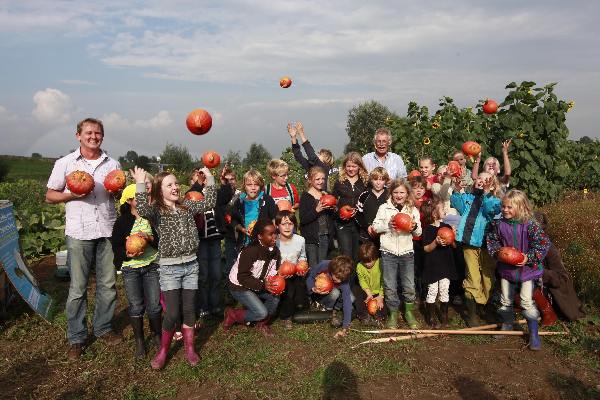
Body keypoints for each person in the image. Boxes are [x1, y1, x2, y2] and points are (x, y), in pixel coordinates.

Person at [46, 117, 123, 360]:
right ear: (78, 135)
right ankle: (77, 337)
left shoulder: (113, 163)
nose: (93, 136)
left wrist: (118, 191)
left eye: (97, 133)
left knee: (108, 286)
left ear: (102, 136)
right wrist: (73, 193)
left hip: (108, 230)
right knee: (78, 288)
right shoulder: (65, 163)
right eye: (88, 133)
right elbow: (50, 195)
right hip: (79, 232)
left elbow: (119, 195)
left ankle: (103, 328)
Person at [132, 166, 217, 369]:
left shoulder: (188, 206)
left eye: (177, 183)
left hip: (190, 265)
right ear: (160, 190)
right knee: (171, 313)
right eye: (169, 184)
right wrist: (140, 183)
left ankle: (189, 348)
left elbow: (209, 202)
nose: (175, 187)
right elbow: (141, 209)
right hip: (170, 268)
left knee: (189, 310)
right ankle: (163, 350)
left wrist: (211, 178)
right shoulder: (157, 211)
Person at [486, 190, 550, 350]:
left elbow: (543, 244)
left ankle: (533, 333)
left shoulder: (530, 225)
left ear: (521, 207)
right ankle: (507, 326)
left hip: (527, 271)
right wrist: (497, 253)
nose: (505, 210)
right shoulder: (499, 224)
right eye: (503, 206)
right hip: (507, 270)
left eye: (509, 207)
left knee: (526, 301)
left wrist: (528, 257)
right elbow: (492, 241)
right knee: (506, 300)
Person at [110, 184, 161, 359]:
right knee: (136, 305)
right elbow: (116, 245)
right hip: (130, 269)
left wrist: (150, 238)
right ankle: (140, 340)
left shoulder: (150, 218)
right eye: (139, 198)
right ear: (130, 201)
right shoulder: (122, 222)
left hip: (151, 266)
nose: (145, 200)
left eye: (146, 196)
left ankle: (157, 335)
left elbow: (159, 240)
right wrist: (127, 253)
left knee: (154, 305)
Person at [450, 172, 501, 327]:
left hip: (488, 245)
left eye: (486, 180)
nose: (481, 181)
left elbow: (491, 209)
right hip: (469, 244)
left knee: (488, 277)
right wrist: (457, 190)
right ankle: (472, 314)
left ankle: (485, 308)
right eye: (479, 178)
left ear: (492, 184)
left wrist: (486, 193)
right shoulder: (468, 198)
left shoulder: (495, 200)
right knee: (472, 277)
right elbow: (456, 203)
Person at [371, 179, 422, 329]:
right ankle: (393, 313)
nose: (399, 195)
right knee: (390, 285)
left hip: (407, 252)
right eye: (396, 192)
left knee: (408, 285)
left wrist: (413, 227)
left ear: (407, 194)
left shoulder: (412, 209)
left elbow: (419, 232)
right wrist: (387, 225)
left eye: (402, 192)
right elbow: (375, 226)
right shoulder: (384, 208)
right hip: (388, 252)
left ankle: (408, 313)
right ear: (391, 193)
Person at [188, 166, 235, 319]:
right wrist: (199, 184)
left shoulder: (213, 195)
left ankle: (215, 305)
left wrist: (224, 181)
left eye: (203, 175)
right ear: (192, 181)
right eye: (197, 175)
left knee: (215, 275)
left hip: (214, 240)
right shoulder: (191, 196)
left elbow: (227, 195)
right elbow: (191, 198)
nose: (202, 177)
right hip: (201, 241)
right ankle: (203, 307)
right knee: (203, 276)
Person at [223, 220, 282, 336]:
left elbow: (273, 271)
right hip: (239, 286)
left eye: (275, 233)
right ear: (260, 236)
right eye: (270, 234)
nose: (274, 236)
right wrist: (263, 285)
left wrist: (276, 282)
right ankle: (233, 314)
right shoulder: (250, 251)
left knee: (275, 296)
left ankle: (262, 324)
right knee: (261, 312)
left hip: (258, 283)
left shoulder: (275, 251)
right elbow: (242, 277)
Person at [533, 212, 585, 321]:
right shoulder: (526, 245)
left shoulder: (549, 249)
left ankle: (547, 311)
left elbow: (562, 279)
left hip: (550, 291)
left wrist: (539, 273)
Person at [421, 198, 458, 328]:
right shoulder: (427, 230)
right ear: (434, 214)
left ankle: (444, 314)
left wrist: (452, 236)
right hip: (433, 265)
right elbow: (426, 248)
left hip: (445, 264)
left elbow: (454, 246)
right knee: (432, 290)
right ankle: (430, 315)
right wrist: (435, 243)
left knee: (444, 289)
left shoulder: (447, 227)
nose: (445, 210)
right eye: (442, 209)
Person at [306, 255, 355, 338]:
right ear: (332, 271)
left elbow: (347, 300)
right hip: (319, 292)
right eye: (337, 278)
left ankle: (334, 309)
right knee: (335, 293)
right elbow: (310, 277)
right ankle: (324, 307)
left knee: (351, 298)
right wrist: (312, 288)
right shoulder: (323, 265)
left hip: (332, 292)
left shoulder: (343, 279)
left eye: (342, 279)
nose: (339, 281)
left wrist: (345, 327)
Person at [332, 152, 368, 262]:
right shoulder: (339, 182)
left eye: (354, 166)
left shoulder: (365, 182)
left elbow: (369, 202)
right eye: (348, 166)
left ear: (359, 167)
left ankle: (357, 279)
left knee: (359, 256)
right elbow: (333, 204)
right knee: (346, 256)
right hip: (343, 225)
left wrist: (359, 210)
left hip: (360, 225)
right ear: (344, 166)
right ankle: (347, 279)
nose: (351, 169)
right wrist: (339, 213)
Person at [275, 211, 309, 329]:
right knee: (289, 292)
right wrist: (279, 273)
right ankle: (286, 317)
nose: (287, 227)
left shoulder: (300, 240)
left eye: (290, 224)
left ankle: (295, 306)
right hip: (278, 275)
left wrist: (303, 264)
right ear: (277, 226)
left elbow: (303, 256)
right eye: (283, 224)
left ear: (294, 225)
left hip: (295, 272)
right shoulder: (275, 241)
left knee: (300, 298)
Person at [230, 169, 278, 251]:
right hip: (245, 244)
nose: (253, 188)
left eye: (256, 184)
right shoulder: (239, 202)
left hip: (264, 243)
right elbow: (234, 220)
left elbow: (274, 219)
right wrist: (242, 229)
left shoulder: (267, 200)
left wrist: (272, 234)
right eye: (249, 185)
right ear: (244, 186)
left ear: (261, 185)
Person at [299, 166, 336, 270]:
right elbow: (303, 219)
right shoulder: (306, 197)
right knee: (313, 267)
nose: (321, 181)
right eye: (317, 179)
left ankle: (323, 285)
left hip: (325, 235)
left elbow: (331, 217)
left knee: (323, 266)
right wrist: (316, 210)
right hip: (312, 238)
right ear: (310, 180)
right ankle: (312, 286)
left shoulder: (326, 194)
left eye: (323, 179)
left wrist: (333, 208)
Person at [288, 121, 338, 191]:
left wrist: (301, 134)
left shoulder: (324, 168)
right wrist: (293, 138)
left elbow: (312, 156)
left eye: (319, 154)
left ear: (326, 159)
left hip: (321, 198)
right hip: (310, 197)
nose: (317, 155)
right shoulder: (311, 168)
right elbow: (298, 156)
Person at [355, 167, 390, 246]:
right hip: (367, 234)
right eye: (375, 179)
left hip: (385, 234)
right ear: (371, 180)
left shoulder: (389, 195)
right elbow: (358, 214)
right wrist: (367, 226)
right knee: (368, 257)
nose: (378, 182)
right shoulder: (364, 195)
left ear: (386, 181)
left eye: (381, 180)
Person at [355, 242, 386, 325]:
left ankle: (379, 316)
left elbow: (384, 281)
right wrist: (368, 293)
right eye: (364, 262)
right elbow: (362, 281)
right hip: (367, 291)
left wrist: (381, 296)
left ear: (375, 257)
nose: (367, 264)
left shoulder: (381, 263)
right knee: (357, 293)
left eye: (369, 261)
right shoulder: (359, 266)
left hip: (380, 292)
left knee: (383, 305)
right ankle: (364, 316)